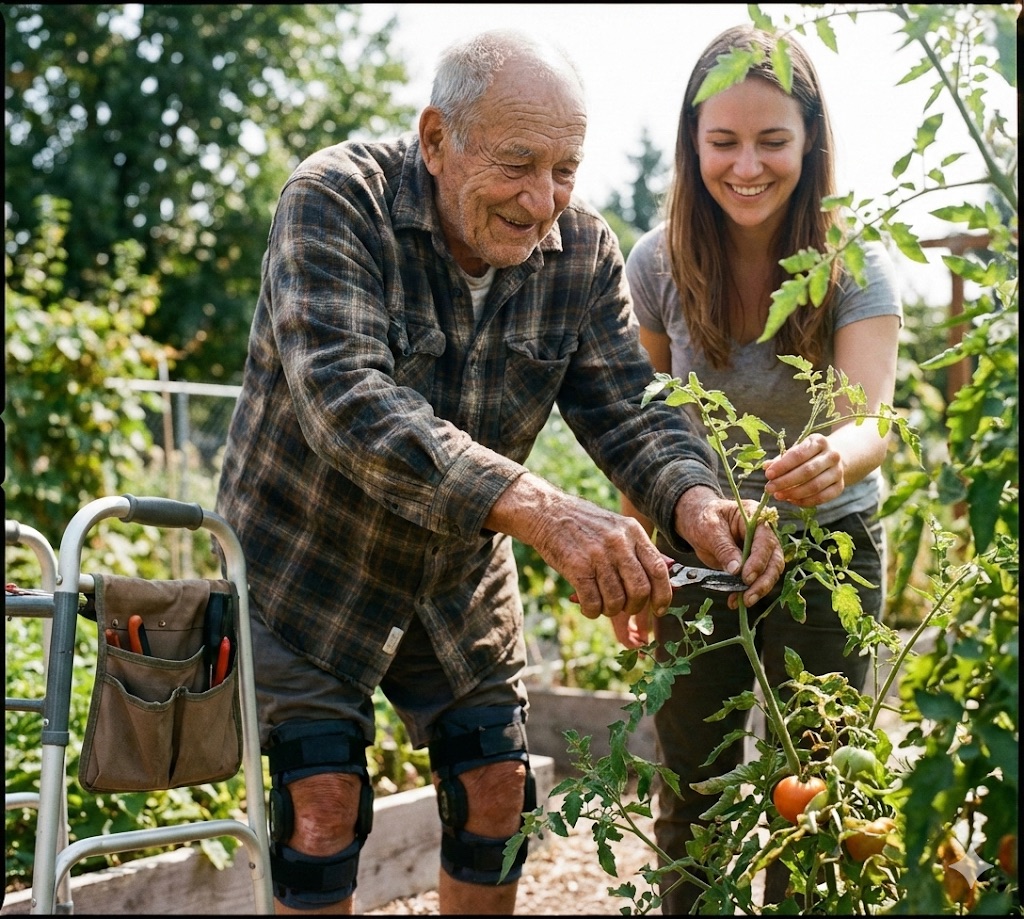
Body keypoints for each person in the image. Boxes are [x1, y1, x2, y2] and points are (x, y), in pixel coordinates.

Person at [214, 27, 784, 917]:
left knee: (498, 790)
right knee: (318, 810)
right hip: (308, 565)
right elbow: (345, 401)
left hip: (455, 579)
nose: (542, 200)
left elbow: (632, 407)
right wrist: (545, 510)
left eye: (565, 168)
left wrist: (698, 497)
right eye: (518, 164)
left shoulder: (582, 253)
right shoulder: (334, 203)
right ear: (436, 140)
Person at [612, 24, 903, 913]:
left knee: (811, 796)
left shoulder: (853, 260)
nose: (747, 165)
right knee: (691, 792)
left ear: (811, 141)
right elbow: (638, 418)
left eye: (773, 140)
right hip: (700, 545)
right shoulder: (658, 263)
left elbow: (872, 418)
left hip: (829, 549)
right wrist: (636, 550)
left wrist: (829, 458)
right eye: (723, 141)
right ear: (691, 143)